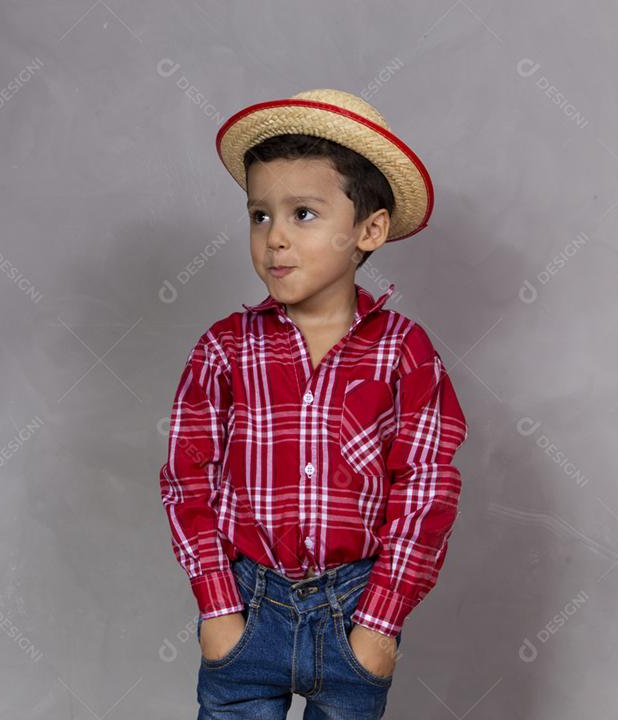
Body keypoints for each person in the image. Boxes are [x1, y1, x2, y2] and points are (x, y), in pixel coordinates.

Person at [159, 88, 470, 719]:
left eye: (303, 214)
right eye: (259, 215)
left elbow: (426, 488)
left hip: (356, 609)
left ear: (369, 229)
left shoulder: (404, 352)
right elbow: (186, 480)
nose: (274, 238)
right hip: (248, 605)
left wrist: (380, 623)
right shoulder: (224, 349)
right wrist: (219, 607)